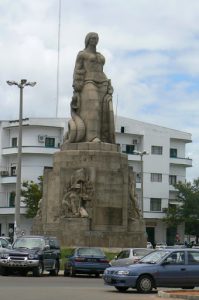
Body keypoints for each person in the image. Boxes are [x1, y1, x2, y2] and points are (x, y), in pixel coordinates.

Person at [65, 32, 115, 144]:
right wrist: (77, 87)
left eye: (96, 38)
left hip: (102, 82)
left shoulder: (100, 55)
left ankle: (104, 137)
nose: (95, 40)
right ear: (88, 40)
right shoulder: (82, 54)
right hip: (88, 81)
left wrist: (108, 85)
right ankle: (92, 137)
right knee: (94, 106)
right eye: (92, 38)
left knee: (104, 110)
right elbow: (77, 70)